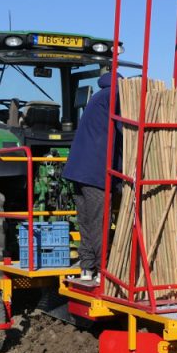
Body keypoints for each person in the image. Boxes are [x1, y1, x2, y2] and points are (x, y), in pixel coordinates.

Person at [62, 71, 122, 283]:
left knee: (86, 221)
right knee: (100, 221)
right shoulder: (115, 96)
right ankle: (101, 270)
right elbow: (124, 131)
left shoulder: (98, 97)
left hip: (78, 170)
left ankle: (87, 268)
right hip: (96, 171)